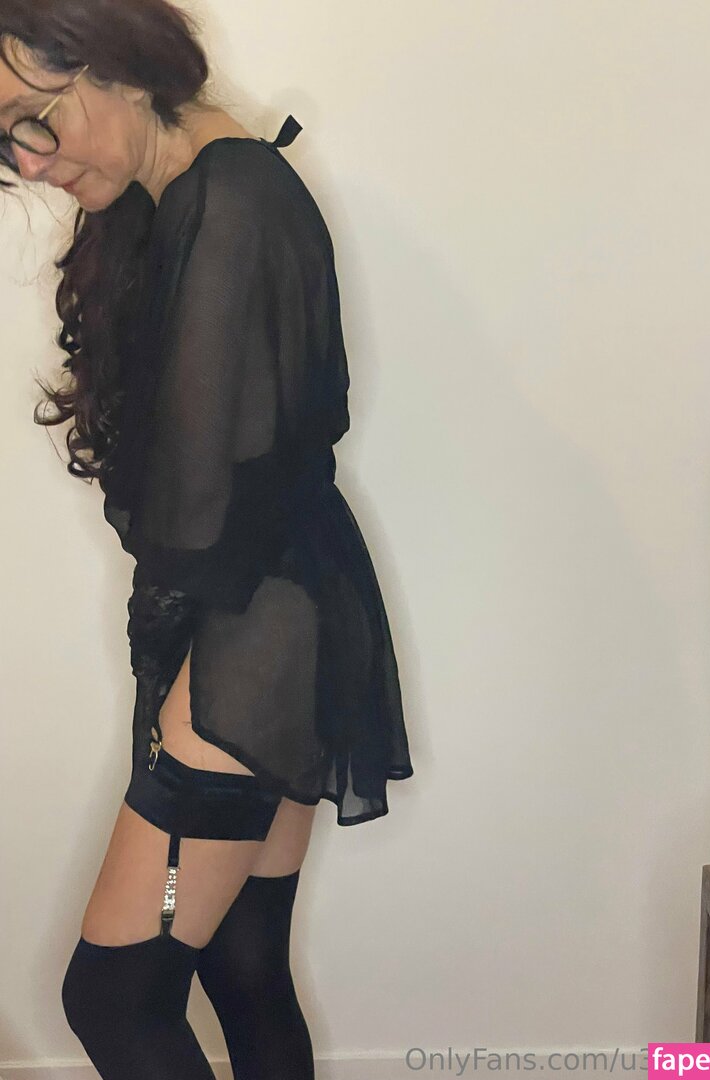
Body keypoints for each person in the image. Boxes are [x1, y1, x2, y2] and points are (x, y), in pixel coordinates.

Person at [0, 2, 414, 1076]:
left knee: (113, 998)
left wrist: (168, 689)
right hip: (279, 609)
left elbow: (193, 511)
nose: (30, 163)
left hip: (253, 623)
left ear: (119, 66)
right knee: (242, 965)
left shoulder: (228, 199)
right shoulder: (193, 193)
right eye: (6, 147)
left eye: (33, 121)